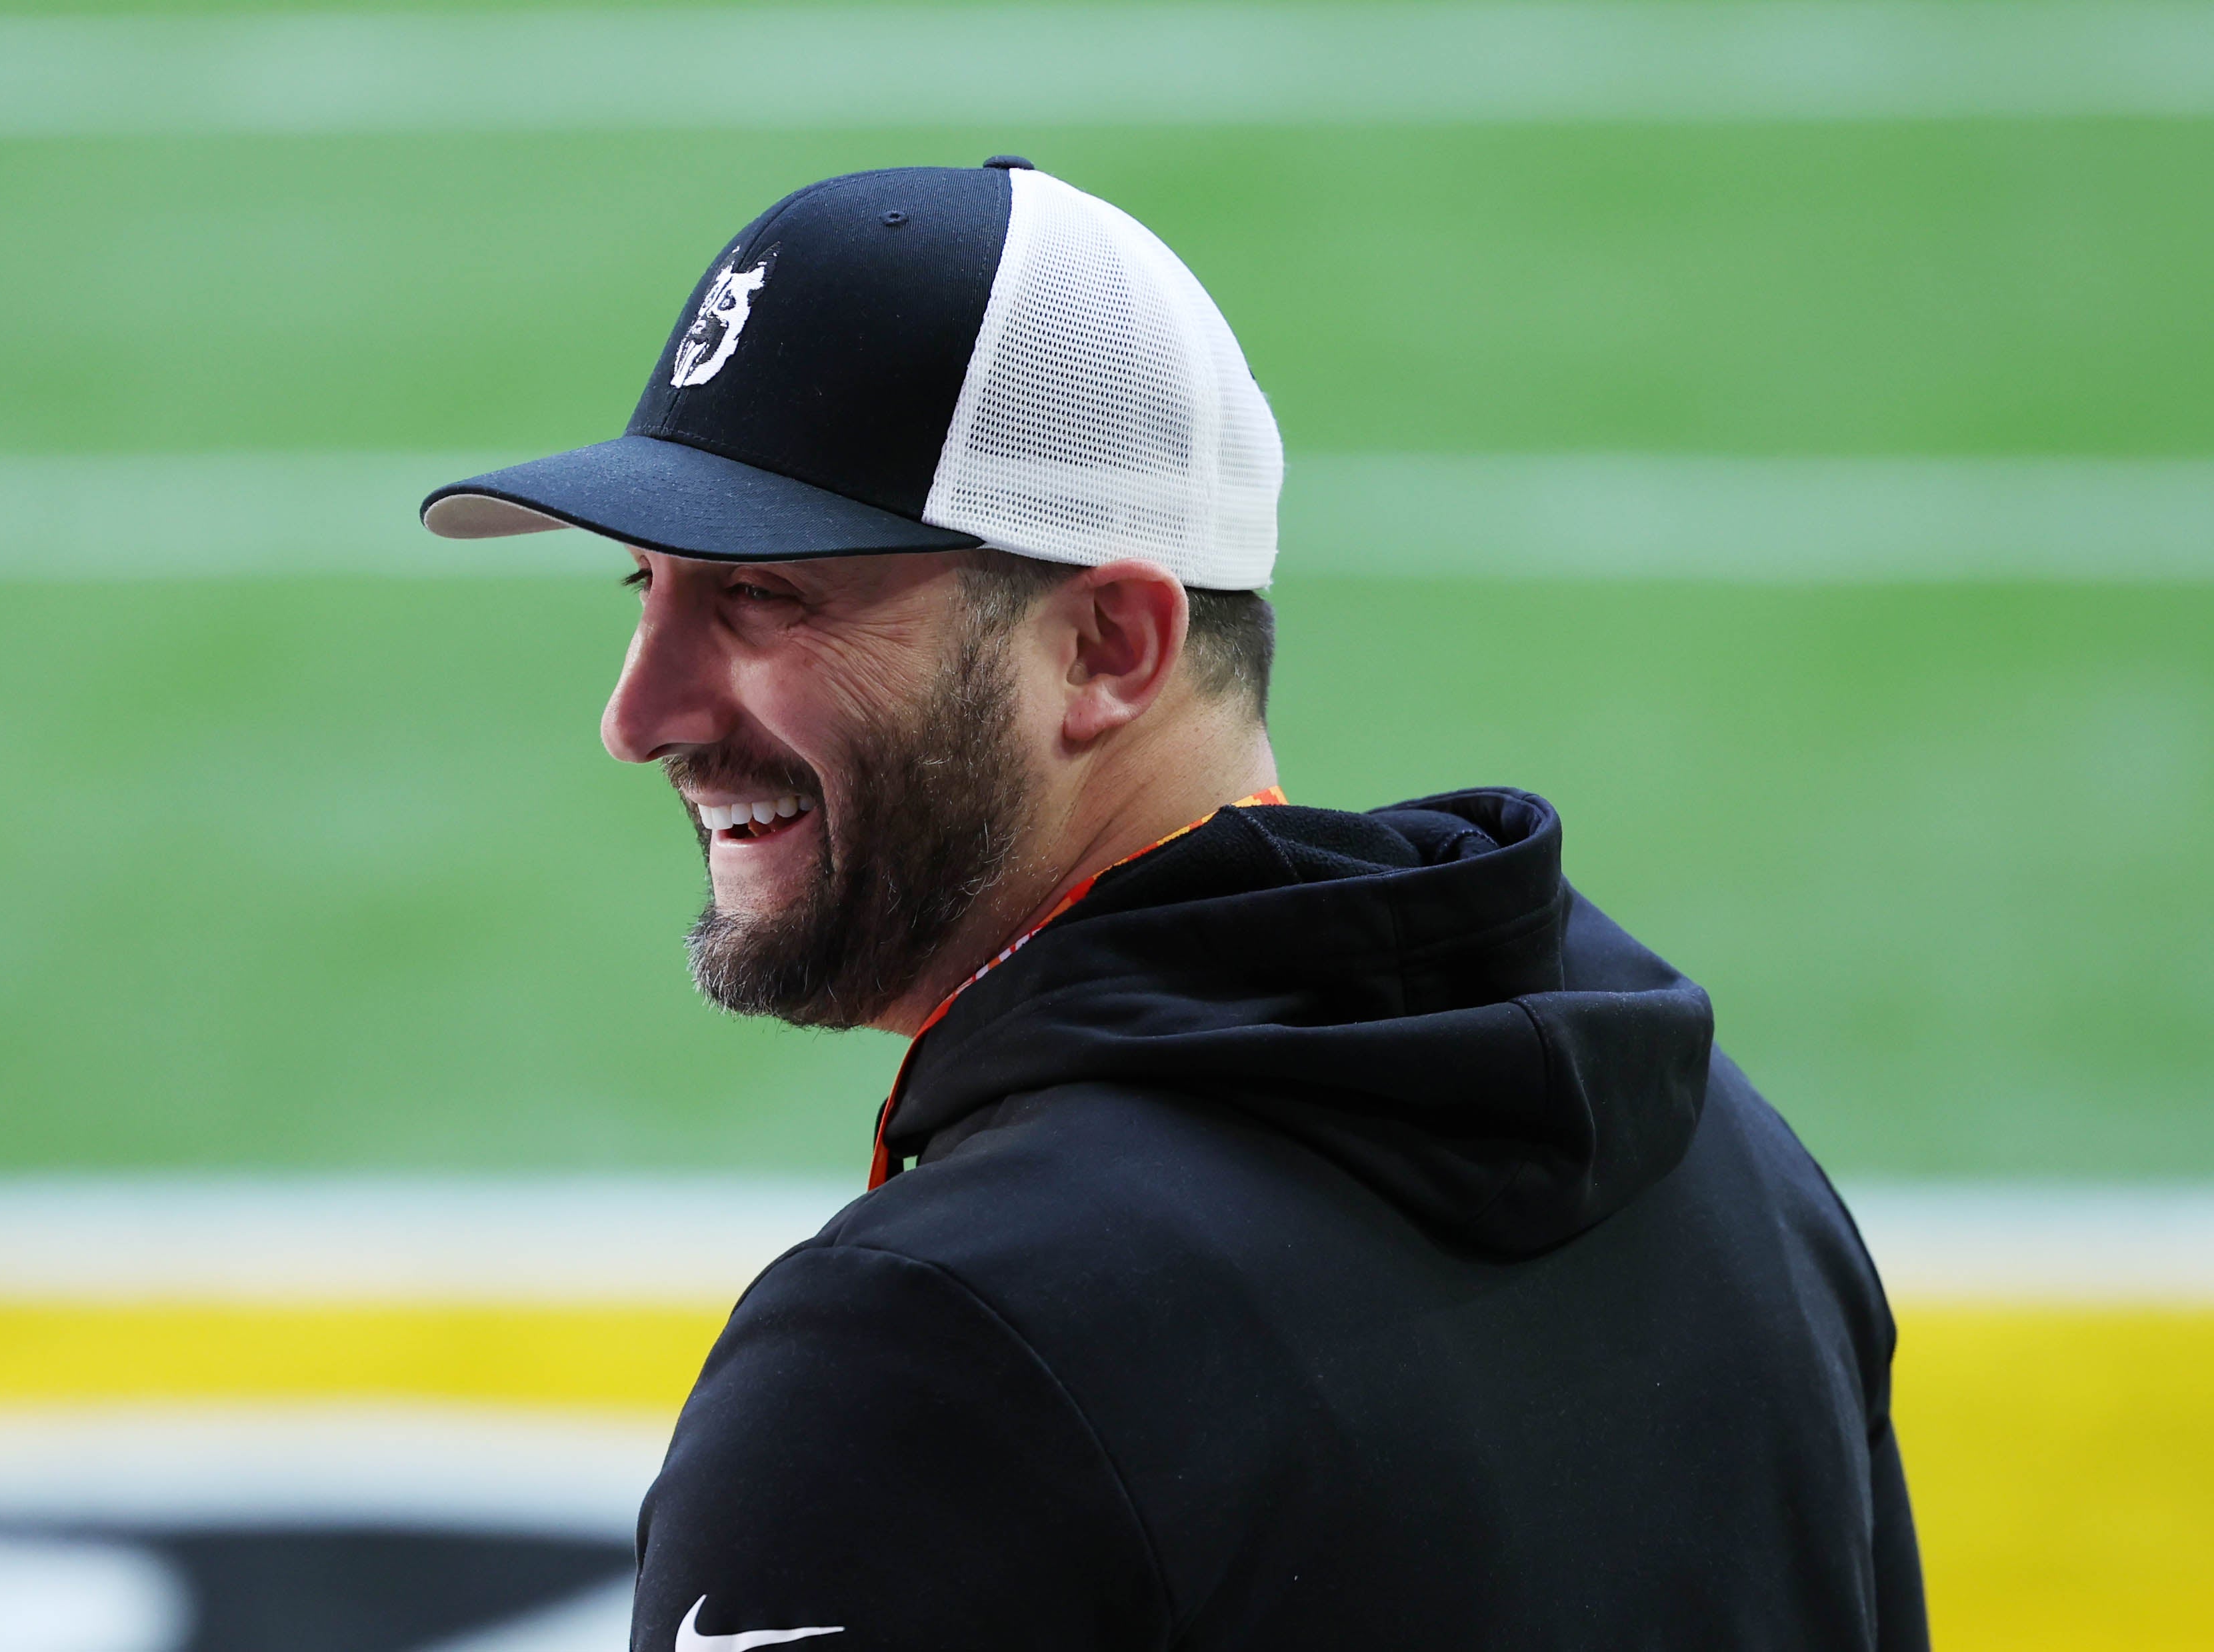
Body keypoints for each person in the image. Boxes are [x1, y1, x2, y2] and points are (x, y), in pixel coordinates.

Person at [421, 159, 1926, 1651]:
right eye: (647, 589)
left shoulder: (923, 1364)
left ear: (1109, 648)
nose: (640, 716)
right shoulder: (1727, 1167)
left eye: (763, 596)